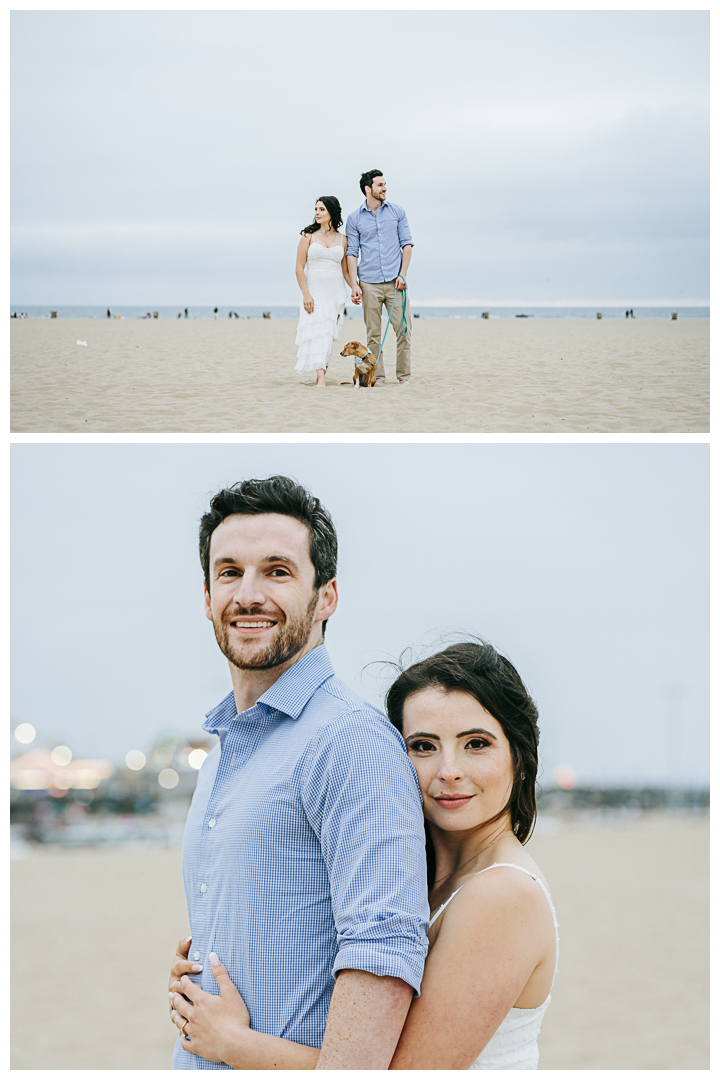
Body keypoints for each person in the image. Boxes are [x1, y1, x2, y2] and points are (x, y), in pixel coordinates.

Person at [169, 640, 558, 1070]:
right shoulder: (426, 879)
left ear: (519, 756)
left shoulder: (503, 894)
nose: (449, 770)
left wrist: (232, 1043)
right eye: (424, 746)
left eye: (476, 744)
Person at [167, 476, 429, 1070]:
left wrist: (235, 1045)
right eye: (229, 572)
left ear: (327, 597)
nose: (248, 594)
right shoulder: (225, 749)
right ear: (207, 597)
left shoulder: (349, 742)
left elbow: (381, 961)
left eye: (278, 571)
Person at [346, 170, 413, 386]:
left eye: (385, 184)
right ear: (368, 189)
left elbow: (407, 244)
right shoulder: (354, 218)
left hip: (396, 283)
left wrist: (402, 274)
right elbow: (352, 253)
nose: (384, 188)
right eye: (380, 185)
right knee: (373, 335)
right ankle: (379, 377)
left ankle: (403, 377)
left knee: (403, 331)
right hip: (369, 284)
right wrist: (354, 284)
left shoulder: (397, 212)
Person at [295, 197, 351, 388]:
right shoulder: (308, 236)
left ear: (332, 213)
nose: (317, 213)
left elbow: (345, 271)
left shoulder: (343, 239)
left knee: (327, 334)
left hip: (335, 292)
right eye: (316, 209)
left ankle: (322, 374)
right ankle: (321, 378)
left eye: (322, 209)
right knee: (316, 331)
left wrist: (356, 288)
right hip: (315, 291)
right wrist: (306, 294)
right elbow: (299, 268)